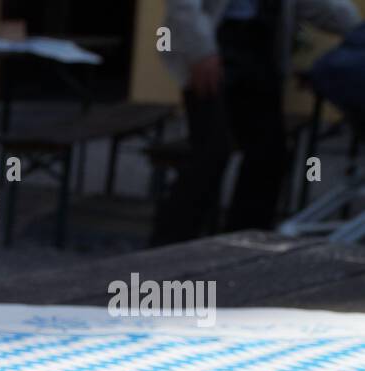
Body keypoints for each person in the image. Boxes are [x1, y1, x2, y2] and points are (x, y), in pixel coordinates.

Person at [152, 0, 361, 245]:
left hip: (259, 46)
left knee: (270, 154)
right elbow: (183, 7)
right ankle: (169, 246)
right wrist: (201, 52)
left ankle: (243, 241)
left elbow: (320, 6)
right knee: (211, 151)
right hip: (213, 42)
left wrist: (358, 30)